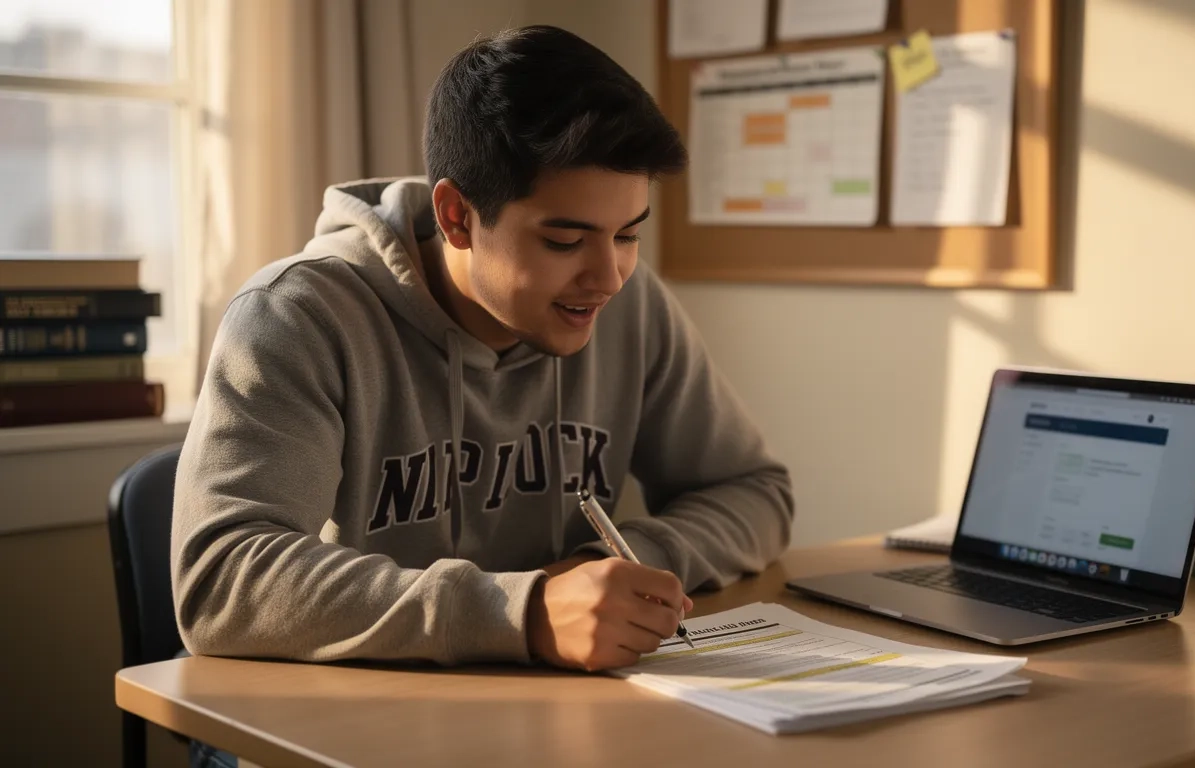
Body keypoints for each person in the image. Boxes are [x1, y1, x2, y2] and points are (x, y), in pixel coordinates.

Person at [171, 24, 794, 679]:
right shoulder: (297, 317)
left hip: (546, 709)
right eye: (564, 241)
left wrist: (615, 562)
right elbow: (221, 580)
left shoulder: (629, 307)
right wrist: (520, 613)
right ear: (457, 217)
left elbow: (755, 492)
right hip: (340, 717)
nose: (608, 276)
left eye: (628, 235)